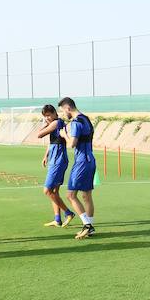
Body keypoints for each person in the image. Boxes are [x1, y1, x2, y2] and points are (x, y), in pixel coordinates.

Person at [58, 97, 97, 240]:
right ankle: (90, 227)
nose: (63, 114)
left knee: (70, 195)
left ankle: (87, 225)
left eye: (63, 111)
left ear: (68, 108)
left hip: (81, 162)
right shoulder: (86, 119)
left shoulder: (75, 122)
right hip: (90, 160)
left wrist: (64, 135)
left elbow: (71, 144)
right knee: (87, 196)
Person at [36, 105, 75, 227]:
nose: (47, 118)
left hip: (58, 159)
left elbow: (39, 134)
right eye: (45, 116)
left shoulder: (56, 123)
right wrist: (46, 155)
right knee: (54, 191)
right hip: (55, 156)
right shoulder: (54, 123)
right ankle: (57, 219)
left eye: (48, 115)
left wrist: (46, 124)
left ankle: (68, 213)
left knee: (47, 190)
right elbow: (52, 142)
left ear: (54, 113)